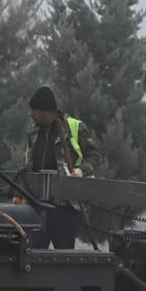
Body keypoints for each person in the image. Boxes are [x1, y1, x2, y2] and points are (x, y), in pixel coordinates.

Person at [24, 86, 86, 250]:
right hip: (37, 205)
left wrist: (81, 171)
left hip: (64, 208)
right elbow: (28, 165)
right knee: (32, 254)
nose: (31, 114)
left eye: (33, 110)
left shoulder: (73, 128)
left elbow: (95, 156)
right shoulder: (33, 132)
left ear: (44, 111)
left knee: (64, 255)